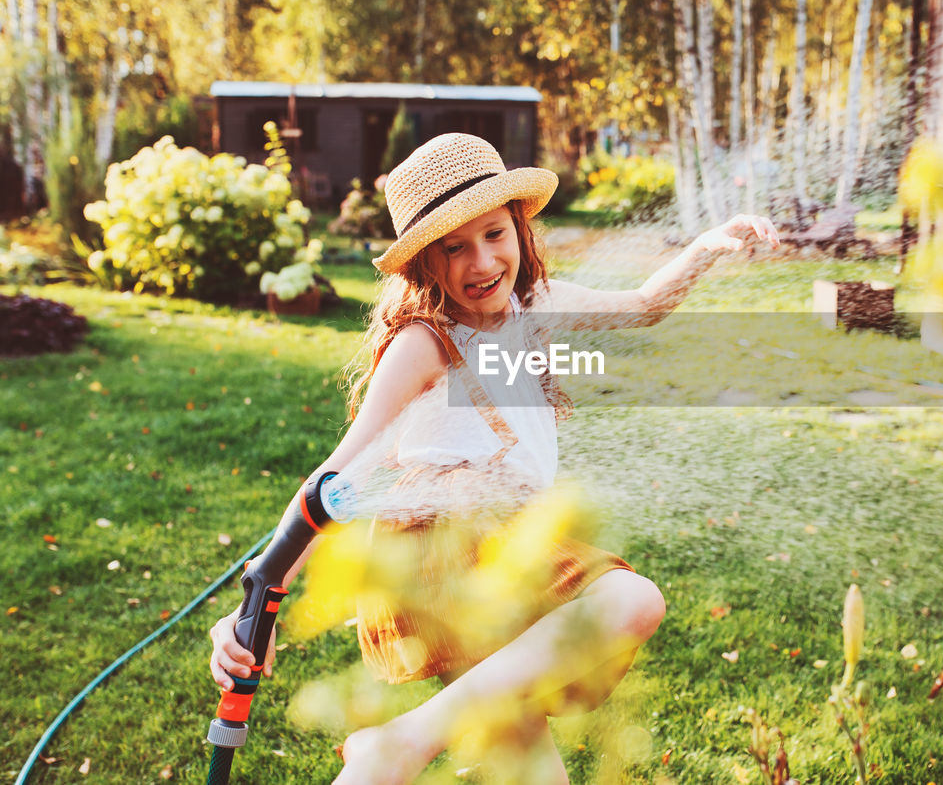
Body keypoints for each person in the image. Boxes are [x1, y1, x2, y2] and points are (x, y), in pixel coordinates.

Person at [208, 132, 779, 784]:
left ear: (520, 230)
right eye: (454, 247)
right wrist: (262, 592)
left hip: (506, 544)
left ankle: (382, 758)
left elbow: (645, 307)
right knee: (630, 600)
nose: (480, 261)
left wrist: (706, 247)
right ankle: (399, 743)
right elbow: (335, 479)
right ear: (424, 261)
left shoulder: (534, 308)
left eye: (494, 234)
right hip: (445, 548)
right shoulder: (425, 344)